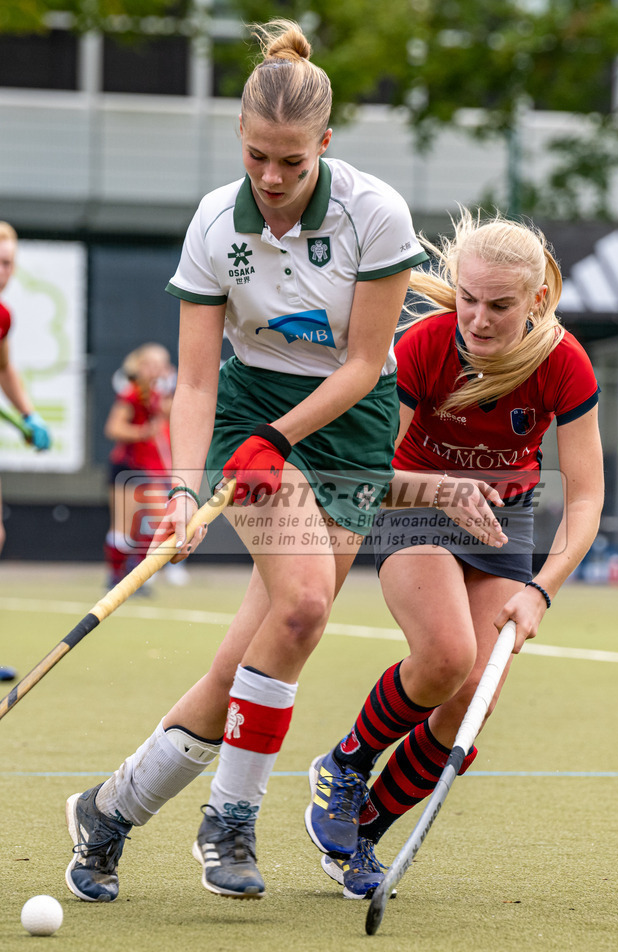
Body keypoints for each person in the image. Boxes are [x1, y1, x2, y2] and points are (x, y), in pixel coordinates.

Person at [63, 19, 431, 904]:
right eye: (259, 157)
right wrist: (187, 492)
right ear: (240, 136)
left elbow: (357, 366)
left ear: (325, 146)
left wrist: (284, 438)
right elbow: (193, 382)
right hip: (246, 410)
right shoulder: (211, 224)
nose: (271, 179)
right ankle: (231, 819)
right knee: (304, 602)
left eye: (292, 162)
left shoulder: (374, 214)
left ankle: (108, 811)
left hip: (348, 420)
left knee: (258, 652)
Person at [304, 209, 604, 899]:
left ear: (536, 299)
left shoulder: (563, 362)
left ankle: (365, 835)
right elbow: (366, 477)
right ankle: (347, 764)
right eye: (467, 298)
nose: (477, 318)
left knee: (472, 699)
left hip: (504, 526)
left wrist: (541, 589)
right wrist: (439, 489)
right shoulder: (423, 346)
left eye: (499, 305)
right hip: (416, 506)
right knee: (445, 655)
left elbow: (584, 499)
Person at [0, 221, 51, 682]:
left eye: (9, 262)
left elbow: (4, 367)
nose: (4, 270)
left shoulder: (2, 315)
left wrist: (28, 414)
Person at [103, 343, 175, 587]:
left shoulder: (159, 397)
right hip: (127, 466)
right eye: (151, 365)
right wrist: (144, 431)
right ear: (140, 366)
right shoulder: (131, 394)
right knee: (122, 526)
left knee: (159, 519)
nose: (156, 371)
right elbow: (114, 428)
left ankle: (138, 574)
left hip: (151, 469)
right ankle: (115, 575)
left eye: (161, 366)